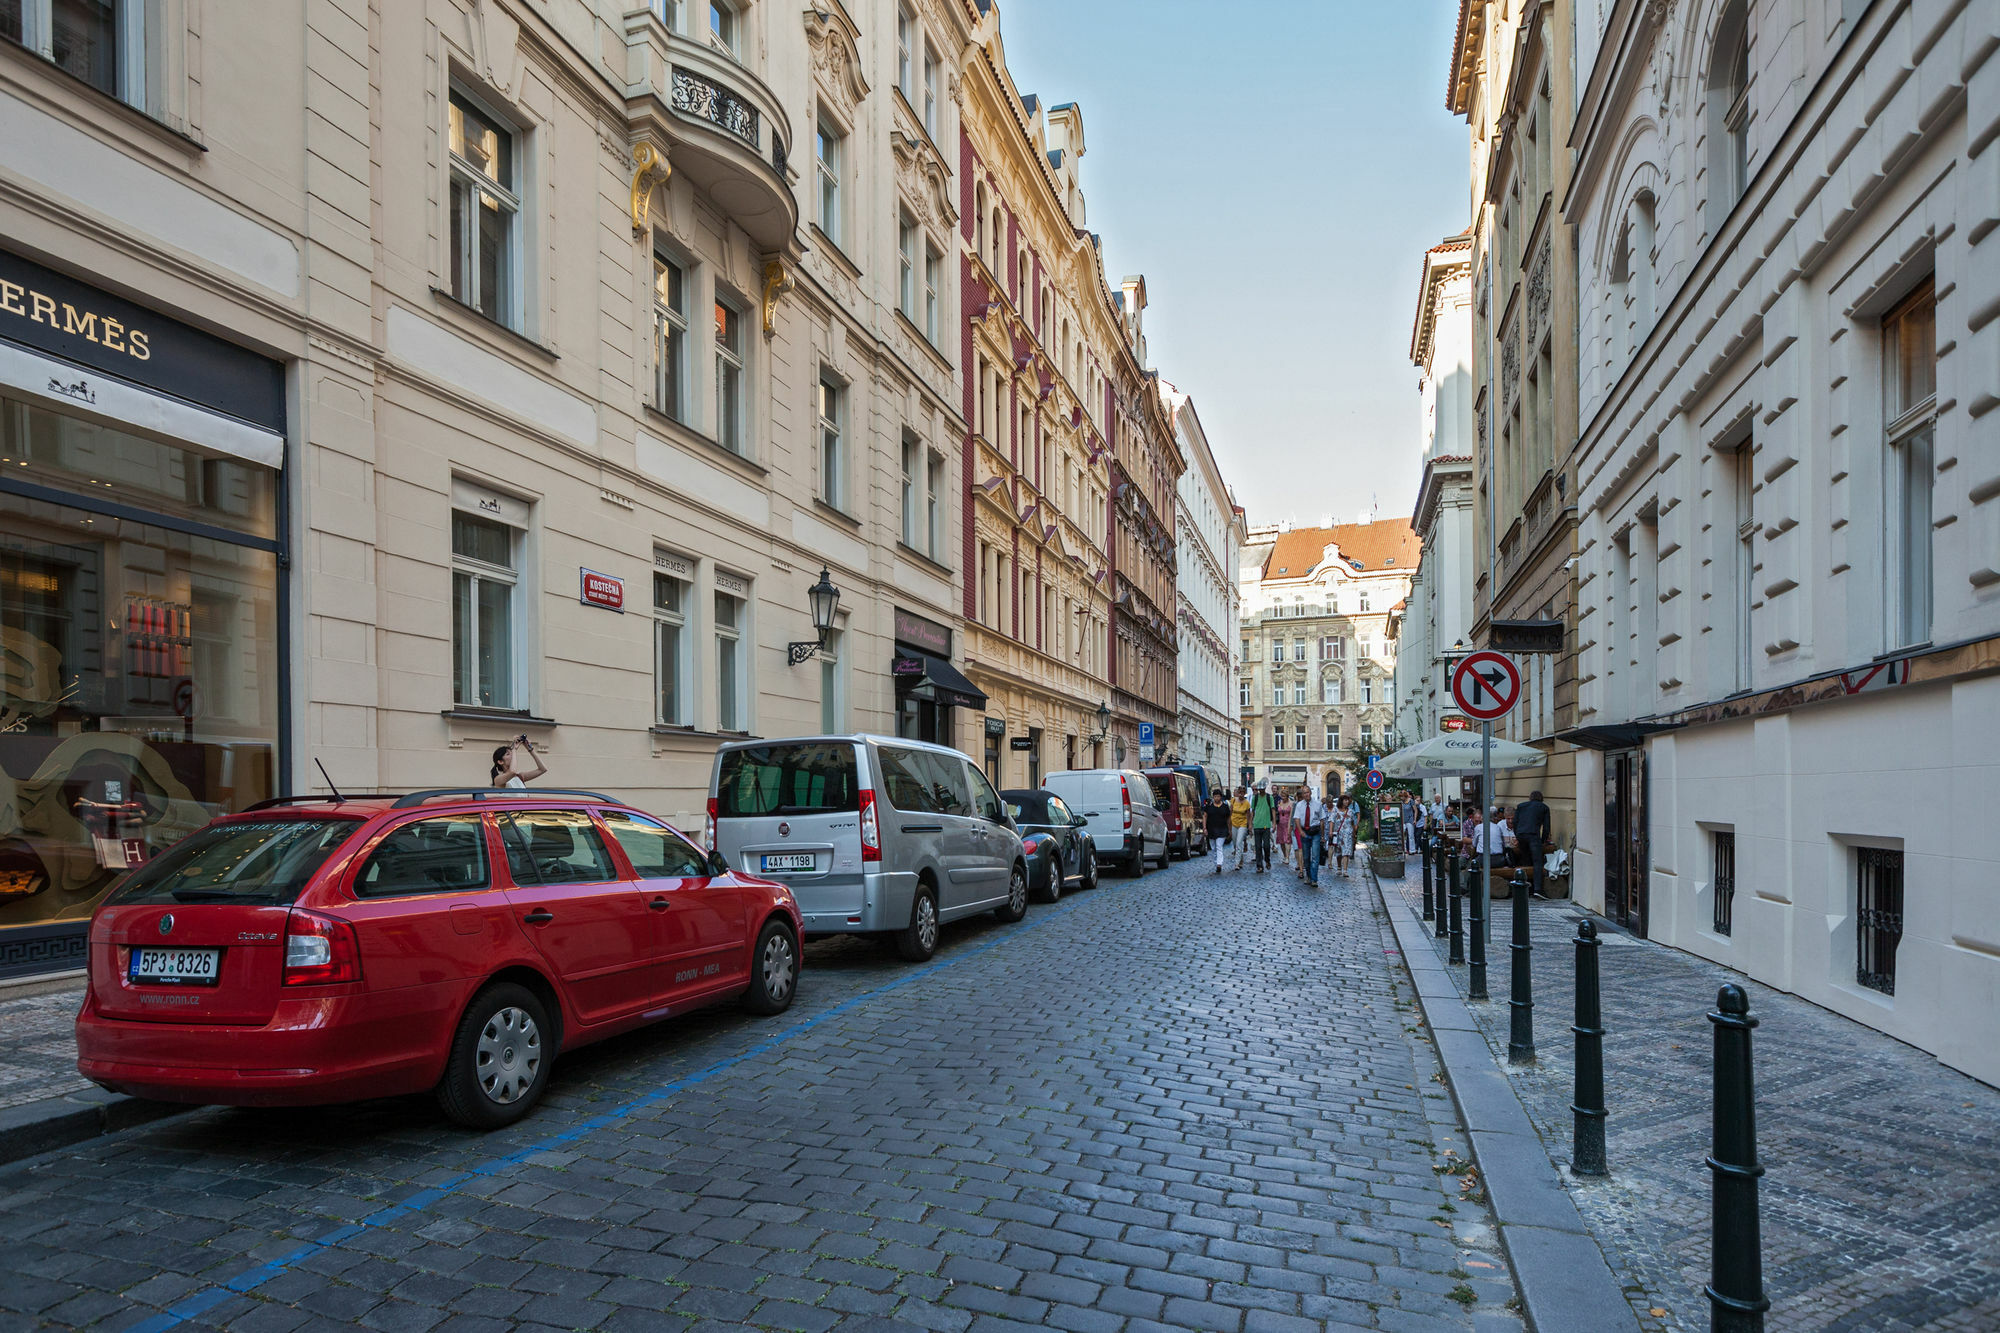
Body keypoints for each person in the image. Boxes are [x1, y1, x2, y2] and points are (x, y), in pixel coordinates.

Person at [1513, 789, 1552, 897]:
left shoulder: (1521, 806)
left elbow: (1515, 822)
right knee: (1537, 862)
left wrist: (1518, 835)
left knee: (1526, 859)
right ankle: (1537, 889)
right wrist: (1543, 841)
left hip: (1521, 834)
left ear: (1530, 797)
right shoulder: (1544, 808)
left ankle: (1525, 886)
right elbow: (1546, 827)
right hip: (1533, 835)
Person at [1295, 787, 1327, 889]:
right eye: (1304, 793)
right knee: (1306, 857)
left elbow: (1322, 819)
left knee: (1315, 856)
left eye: (1307, 792)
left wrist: (1322, 835)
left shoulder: (1318, 804)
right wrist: (1300, 831)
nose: (1306, 795)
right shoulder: (1299, 805)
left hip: (1315, 832)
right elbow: (1296, 819)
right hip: (1305, 832)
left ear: (1310, 793)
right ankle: (1308, 876)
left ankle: (1314, 879)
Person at [1205, 789, 1233, 875]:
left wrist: (1229, 829)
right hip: (1211, 829)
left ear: (1221, 797)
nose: (1216, 798)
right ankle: (1216, 861)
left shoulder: (1225, 807)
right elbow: (1205, 816)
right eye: (1215, 796)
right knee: (1213, 847)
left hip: (1222, 829)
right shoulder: (1209, 806)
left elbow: (1228, 818)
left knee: (1219, 846)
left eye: (1218, 796)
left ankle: (1219, 864)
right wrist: (1204, 828)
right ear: (1213, 797)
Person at [1249, 783, 1276, 872]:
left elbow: (1273, 810)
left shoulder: (1269, 797)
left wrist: (1274, 823)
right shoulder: (1255, 798)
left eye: (1262, 789)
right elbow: (1252, 812)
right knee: (1258, 846)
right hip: (1257, 824)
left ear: (1264, 788)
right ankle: (1259, 866)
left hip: (1266, 825)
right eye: (1259, 789)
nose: (1260, 791)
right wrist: (1250, 824)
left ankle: (1267, 860)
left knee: (1267, 846)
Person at [1332, 796, 1358, 877]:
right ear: (1341, 801)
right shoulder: (1335, 810)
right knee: (1339, 852)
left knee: (1346, 852)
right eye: (1345, 800)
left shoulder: (1350, 811)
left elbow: (1353, 823)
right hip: (1338, 834)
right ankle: (1339, 868)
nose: (1347, 802)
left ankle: (1345, 870)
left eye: (1348, 800)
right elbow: (1331, 821)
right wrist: (1330, 831)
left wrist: (1354, 833)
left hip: (1348, 835)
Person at [1229, 787, 1251, 871]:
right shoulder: (1233, 800)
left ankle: (1236, 863)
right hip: (1234, 823)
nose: (1241, 793)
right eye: (1240, 792)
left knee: (1239, 842)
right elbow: (1230, 813)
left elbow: (1248, 815)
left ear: (1245, 793)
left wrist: (1249, 826)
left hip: (1243, 824)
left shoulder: (1247, 803)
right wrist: (1229, 826)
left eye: (1243, 792)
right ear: (1238, 792)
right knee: (1235, 843)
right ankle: (1240, 858)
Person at [1274, 786, 1295, 872]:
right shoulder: (1279, 802)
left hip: (1287, 823)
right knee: (1281, 841)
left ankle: (1287, 857)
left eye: (1284, 796)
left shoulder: (1291, 803)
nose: (1283, 798)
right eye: (1282, 796)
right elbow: (1276, 813)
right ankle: (1284, 855)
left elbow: (1291, 816)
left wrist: (1290, 826)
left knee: (1287, 840)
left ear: (1287, 796)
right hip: (1280, 824)